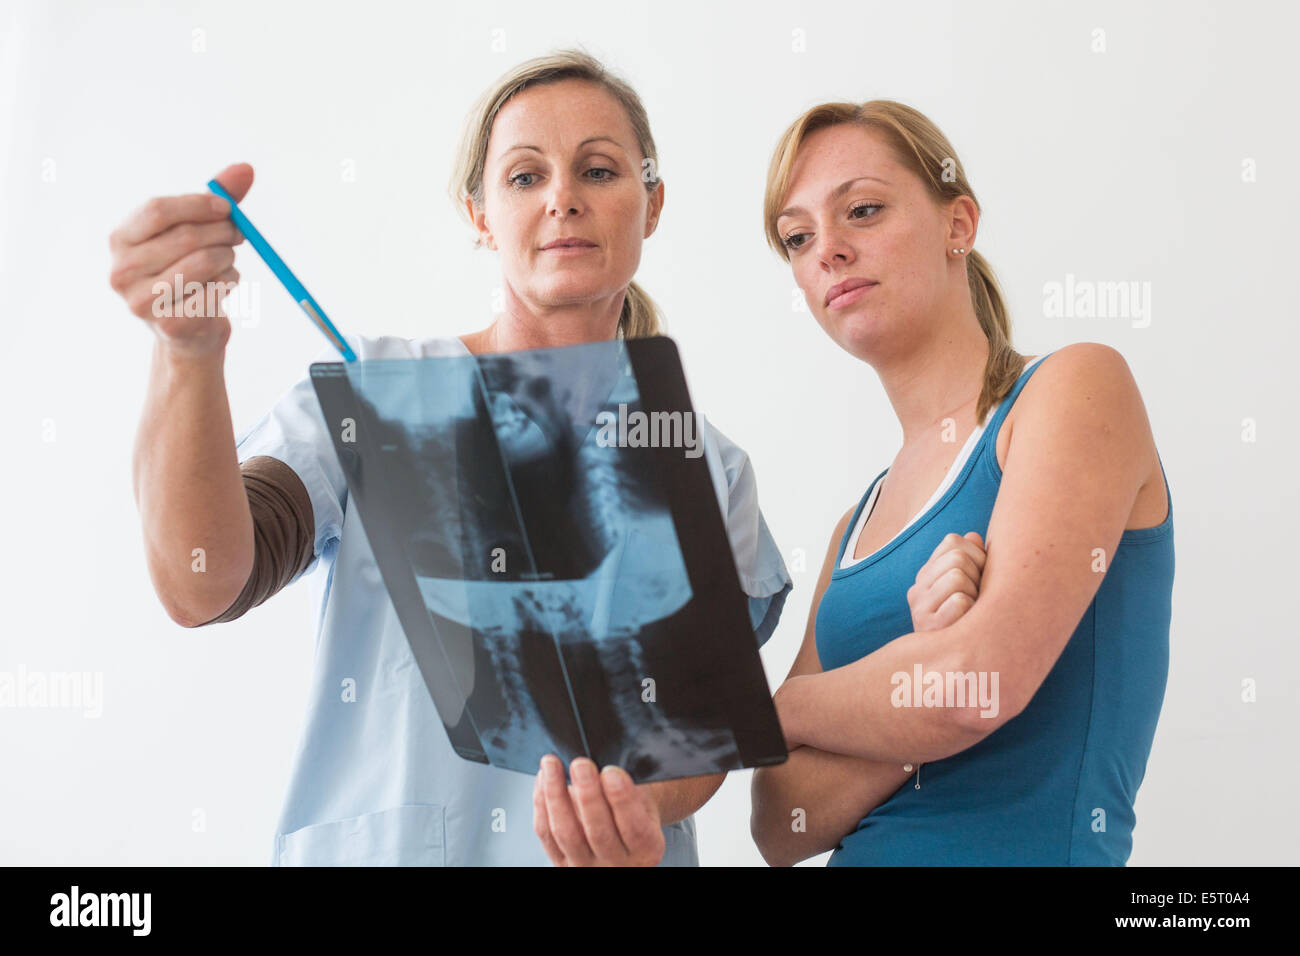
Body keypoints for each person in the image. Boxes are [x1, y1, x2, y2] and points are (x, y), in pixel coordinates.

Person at [113, 50, 799, 867]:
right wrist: (188, 352)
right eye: (523, 177)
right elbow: (200, 581)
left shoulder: (703, 464)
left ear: (651, 205)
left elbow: (697, 746)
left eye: (599, 169)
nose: (563, 199)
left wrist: (626, 814)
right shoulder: (375, 394)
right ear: (480, 215)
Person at [750, 99, 1174, 866]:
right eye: (798, 237)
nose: (829, 251)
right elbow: (781, 825)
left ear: (959, 224)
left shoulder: (1075, 389)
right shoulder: (855, 524)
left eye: (864, 210)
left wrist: (783, 709)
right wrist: (922, 667)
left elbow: (978, 687)